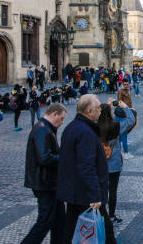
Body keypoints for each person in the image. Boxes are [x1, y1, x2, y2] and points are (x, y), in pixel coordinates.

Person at [57, 94, 116, 244]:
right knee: (106, 232)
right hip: (86, 194)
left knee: (69, 231)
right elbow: (86, 166)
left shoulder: (71, 127)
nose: (100, 111)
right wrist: (95, 195)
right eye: (98, 108)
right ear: (89, 111)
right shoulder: (86, 133)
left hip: (75, 191)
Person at [22, 103, 67, 244]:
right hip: (44, 182)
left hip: (50, 182)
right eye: (61, 118)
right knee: (45, 221)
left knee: (60, 220)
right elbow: (44, 157)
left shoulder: (46, 128)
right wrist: (65, 157)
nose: (62, 122)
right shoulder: (42, 130)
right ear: (53, 114)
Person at [98, 99, 135, 225]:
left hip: (99, 162)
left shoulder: (94, 126)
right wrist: (125, 107)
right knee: (112, 190)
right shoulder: (115, 126)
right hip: (113, 162)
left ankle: (100, 214)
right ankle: (111, 215)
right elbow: (131, 121)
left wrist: (105, 106)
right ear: (110, 113)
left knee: (100, 188)